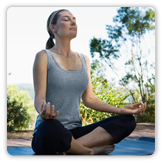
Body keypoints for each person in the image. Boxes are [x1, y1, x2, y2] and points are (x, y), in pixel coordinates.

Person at [31, 9, 146, 155]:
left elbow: (90, 99)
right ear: (53, 27)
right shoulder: (43, 56)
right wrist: (43, 111)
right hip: (49, 133)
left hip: (76, 133)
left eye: (74, 19)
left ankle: (72, 148)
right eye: (66, 19)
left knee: (127, 121)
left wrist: (121, 110)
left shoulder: (84, 59)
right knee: (49, 126)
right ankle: (87, 152)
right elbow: (39, 97)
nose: (73, 22)